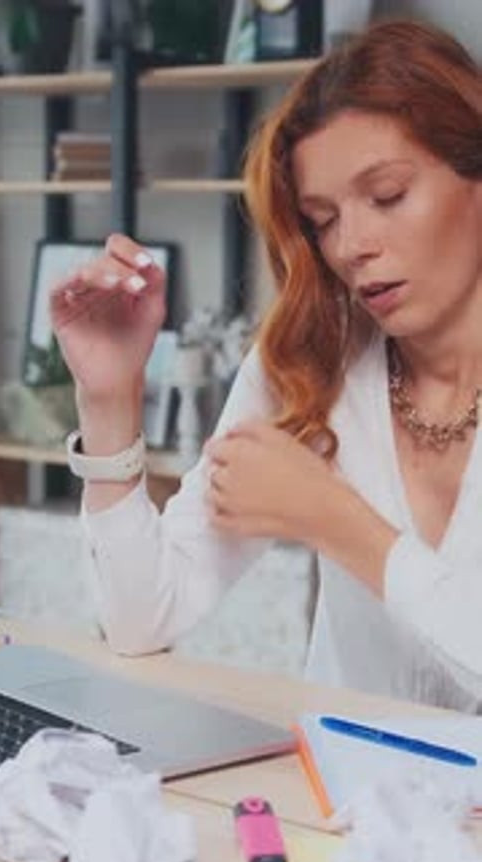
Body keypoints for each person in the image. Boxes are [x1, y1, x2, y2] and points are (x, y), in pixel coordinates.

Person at [51, 19, 482, 711]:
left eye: (388, 195)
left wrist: (334, 520)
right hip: (342, 807)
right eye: (323, 218)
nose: (353, 246)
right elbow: (141, 620)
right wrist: (109, 400)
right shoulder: (310, 362)